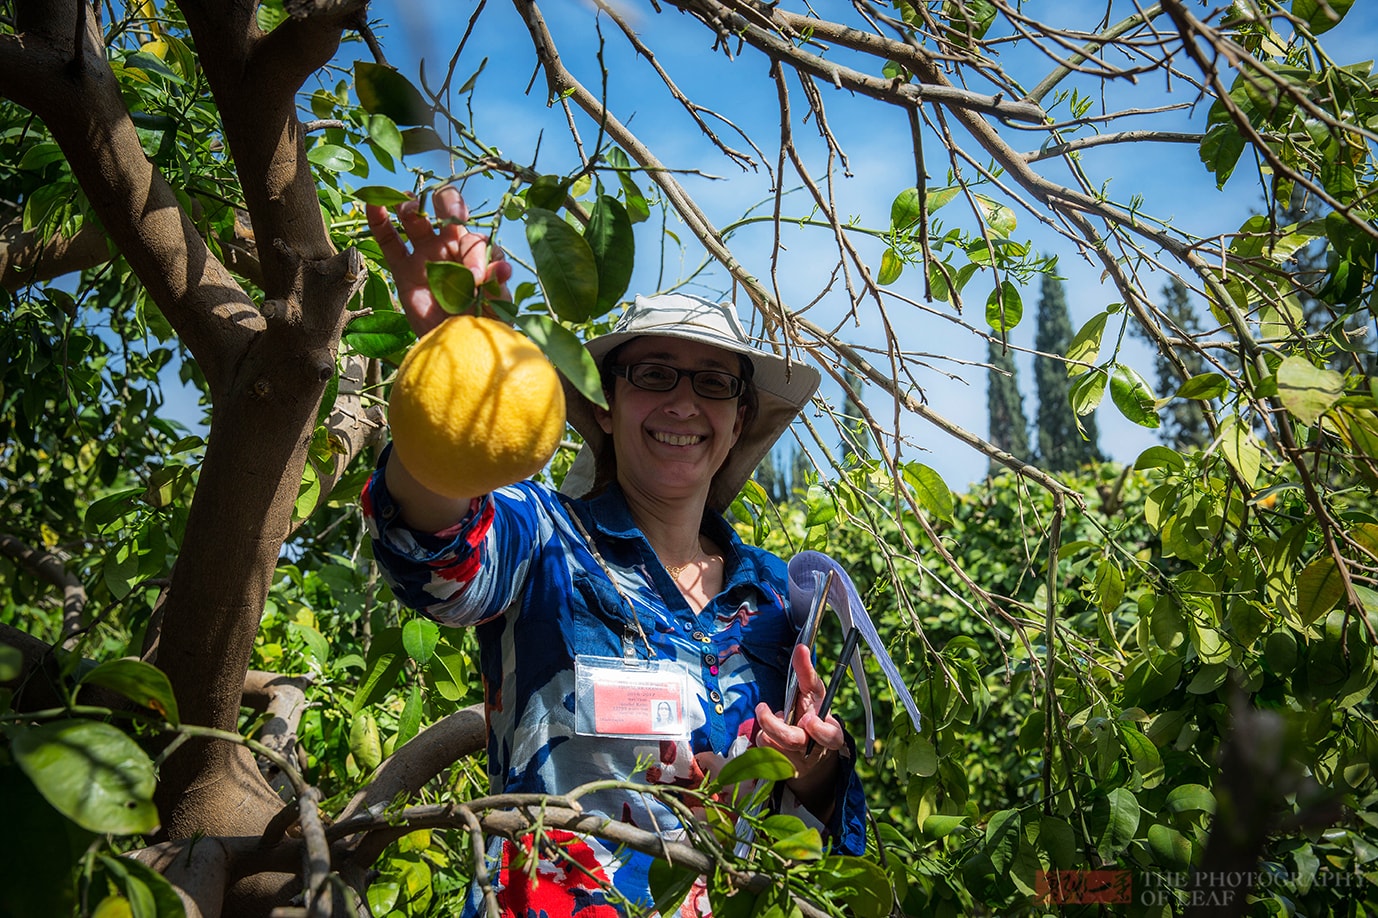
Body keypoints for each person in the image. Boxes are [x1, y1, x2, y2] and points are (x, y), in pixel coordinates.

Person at [361, 187, 867, 917]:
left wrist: (813, 763)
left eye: (713, 382)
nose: (682, 403)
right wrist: (451, 403)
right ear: (604, 401)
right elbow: (433, 548)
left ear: (738, 418)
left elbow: (802, 830)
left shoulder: (773, 601)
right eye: (654, 374)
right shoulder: (543, 539)